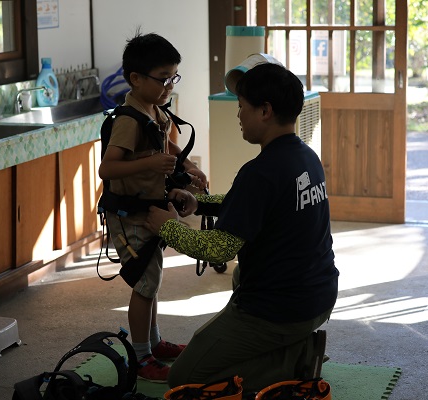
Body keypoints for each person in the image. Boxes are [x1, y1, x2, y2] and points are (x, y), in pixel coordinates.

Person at [144, 62, 339, 393]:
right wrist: (200, 203)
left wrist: (169, 227)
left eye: (242, 107)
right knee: (239, 276)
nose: (238, 116)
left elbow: (219, 249)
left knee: (183, 379)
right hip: (319, 296)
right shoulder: (306, 156)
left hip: (281, 309)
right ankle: (286, 344)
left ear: (264, 111)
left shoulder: (259, 173)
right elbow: (259, 204)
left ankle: (296, 358)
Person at [98, 32, 207, 383]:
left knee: (152, 280)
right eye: (164, 79)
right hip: (128, 214)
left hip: (149, 209)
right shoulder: (128, 120)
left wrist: (188, 168)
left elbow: (167, 148)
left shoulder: (155, 109)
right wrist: (149, 166)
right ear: (136, 79)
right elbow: (108, 168)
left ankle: (155, 343)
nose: (169, 86)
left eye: (174, 77)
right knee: (145, 283)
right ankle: (142, 358)